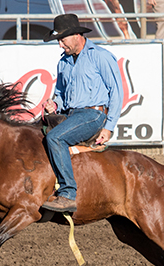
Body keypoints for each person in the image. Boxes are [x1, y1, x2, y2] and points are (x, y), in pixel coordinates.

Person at [40, 14, 123, 213]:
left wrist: (109, 127)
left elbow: (117, 92)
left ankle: (68, 193)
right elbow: (60, 93)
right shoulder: (64, 63)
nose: (60, 45)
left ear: (76, 35)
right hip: (72, 114)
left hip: (93, 115)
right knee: (38, 133)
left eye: (62, 40)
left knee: (55, 138)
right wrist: (54, 104)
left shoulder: (100, 56)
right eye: (58, 41)